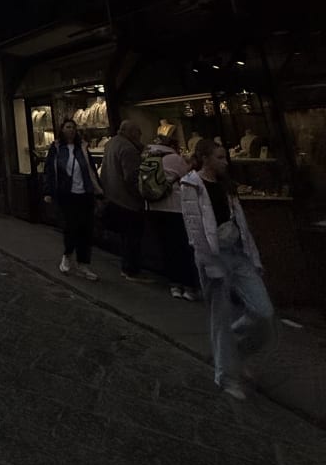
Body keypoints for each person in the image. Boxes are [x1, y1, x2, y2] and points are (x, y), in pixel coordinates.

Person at [180, 139, 274, 400]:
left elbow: (241, 223)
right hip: (213, 257)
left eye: (224, 157)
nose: (225, 161)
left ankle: (238, 348)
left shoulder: (227, 185)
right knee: (220, 317)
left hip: (237, 253)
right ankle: (226, 375)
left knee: (263, 312)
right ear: (206, 158)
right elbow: (195, 228)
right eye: (220, 157)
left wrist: (253, 257)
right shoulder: (191, 185)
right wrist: (209, 262)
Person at [43, 119, 102, 282]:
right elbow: (49, 171)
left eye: (74, 128)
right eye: (68, 127)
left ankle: (83, 264)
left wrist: (97, 190)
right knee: (70, 227)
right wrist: (48, 191)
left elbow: (90, 170)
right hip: (66, 194)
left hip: (85, 193)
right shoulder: (56, 148)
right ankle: (67, 255)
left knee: (86, 229)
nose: (71, 130)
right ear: (61, 130)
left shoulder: (82, 148)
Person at [143, 133, 200, 300]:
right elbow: (190, 176)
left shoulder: (147, 157)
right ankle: (189, 286)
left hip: (153, 208)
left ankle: (174, 285)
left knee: (166, 247)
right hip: (175, 209)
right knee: (182, 247)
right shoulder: (174, 158)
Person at [100, 119, 147, 280]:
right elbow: (132, 178)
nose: (140, 136)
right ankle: (131, 270)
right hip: (128, 201)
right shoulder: (128, 149)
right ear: (132, 132)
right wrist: (142, 195)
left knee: (126, 237)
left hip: (113, 196)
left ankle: (127, 267)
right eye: (139, 132)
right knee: (132, 237)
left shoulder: (111, 143)